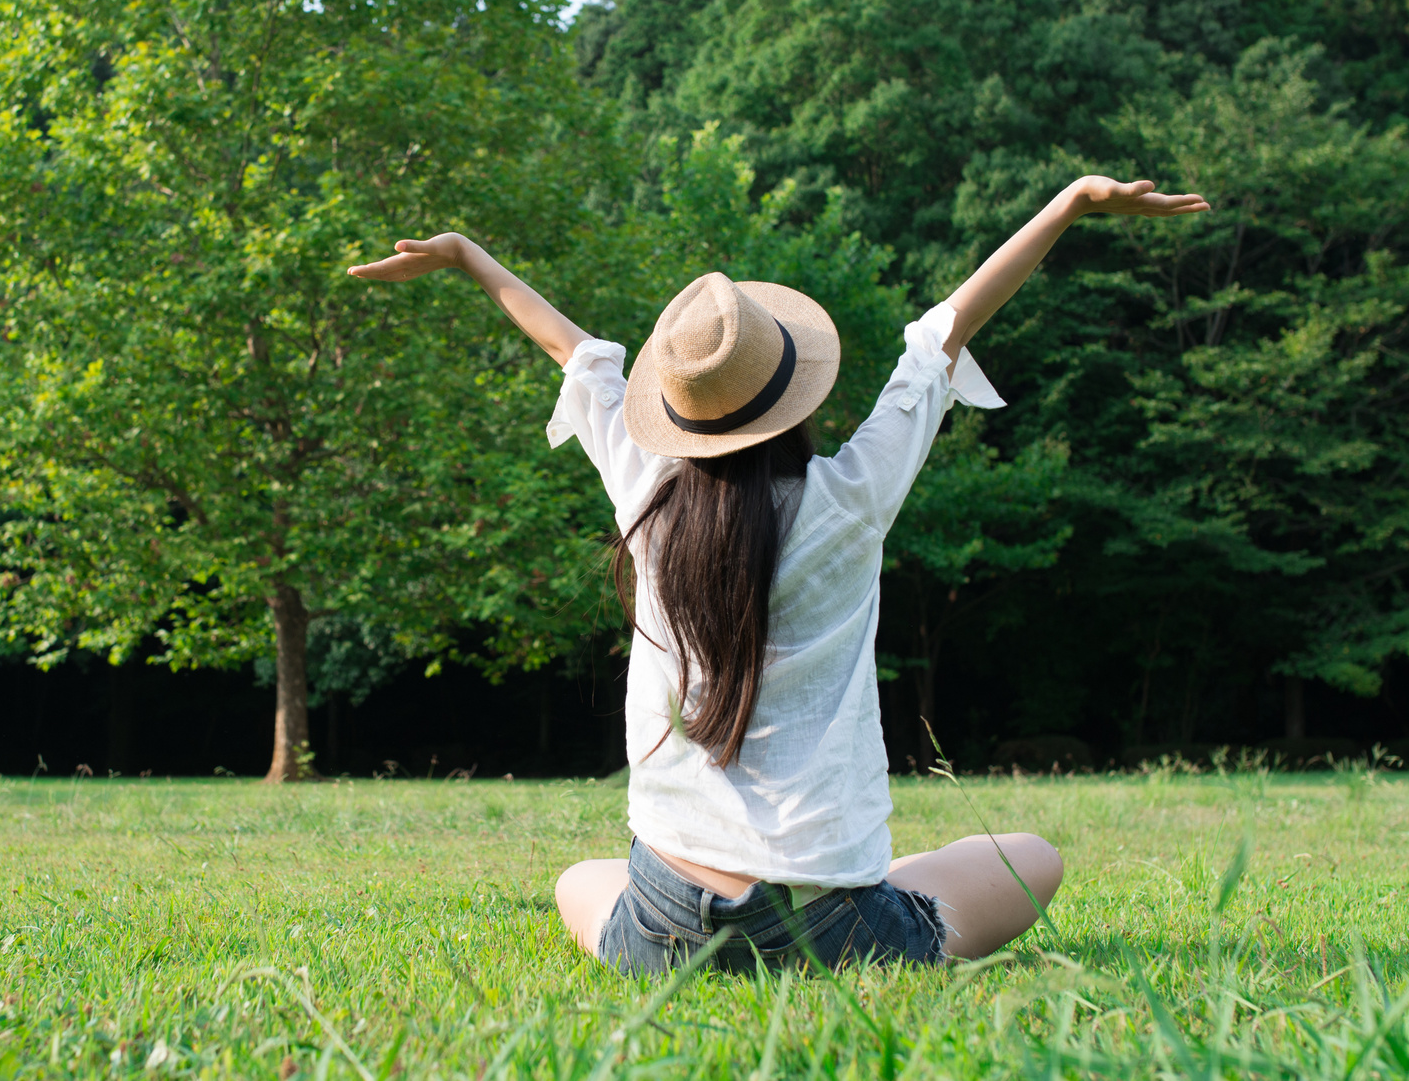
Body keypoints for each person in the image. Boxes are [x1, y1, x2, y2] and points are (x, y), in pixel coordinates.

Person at [349, 175, 1208, 973]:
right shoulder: (849, 499)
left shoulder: (646, 493)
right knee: (1033, 858)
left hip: (666, 923)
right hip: (834, 925)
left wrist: (466, 254)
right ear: (795, 394)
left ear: (678, 413)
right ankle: (857, 888)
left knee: (583, 876)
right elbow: (944, 334)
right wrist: (1068, 205)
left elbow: (575, 354)